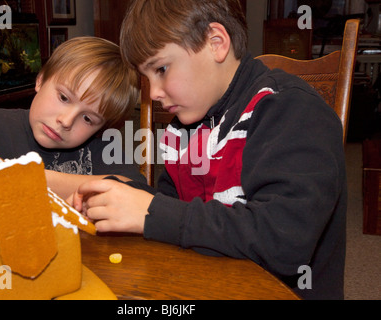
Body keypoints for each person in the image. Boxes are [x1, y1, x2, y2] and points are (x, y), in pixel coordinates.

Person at [70, 0, 348, 300]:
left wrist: (152, 213)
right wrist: (120, 201)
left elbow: (283, 241)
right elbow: (178, 210)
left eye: (161, 69)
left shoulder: (291, 109)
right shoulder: (184, 127)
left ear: (216, 43)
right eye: (146, 78)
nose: (153, 93)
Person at [0, 36, 145, 200]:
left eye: (88, 119)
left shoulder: (100, 149)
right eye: (63, 97)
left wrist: (36, 181)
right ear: (41, 80)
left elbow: (139, 193)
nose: (67, 120)